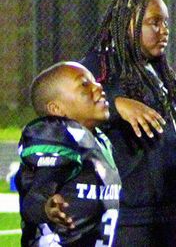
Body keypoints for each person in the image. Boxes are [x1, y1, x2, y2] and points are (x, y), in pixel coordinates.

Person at [82, 0, 176, 246]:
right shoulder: (102, 64)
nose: (163, 30)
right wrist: (116, 103)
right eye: (154, 22)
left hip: (166, 211)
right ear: (127, 24)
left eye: (165, 22)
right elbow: (68, 102)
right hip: (131, 215)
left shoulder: (157, 70)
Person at [18, 61, 121, 247]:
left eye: (94, 81)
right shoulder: (59, 137)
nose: (98, 87)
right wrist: (47, 208)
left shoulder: (99, 140)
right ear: (56, 110)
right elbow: (33, 198)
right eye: (84, 84)